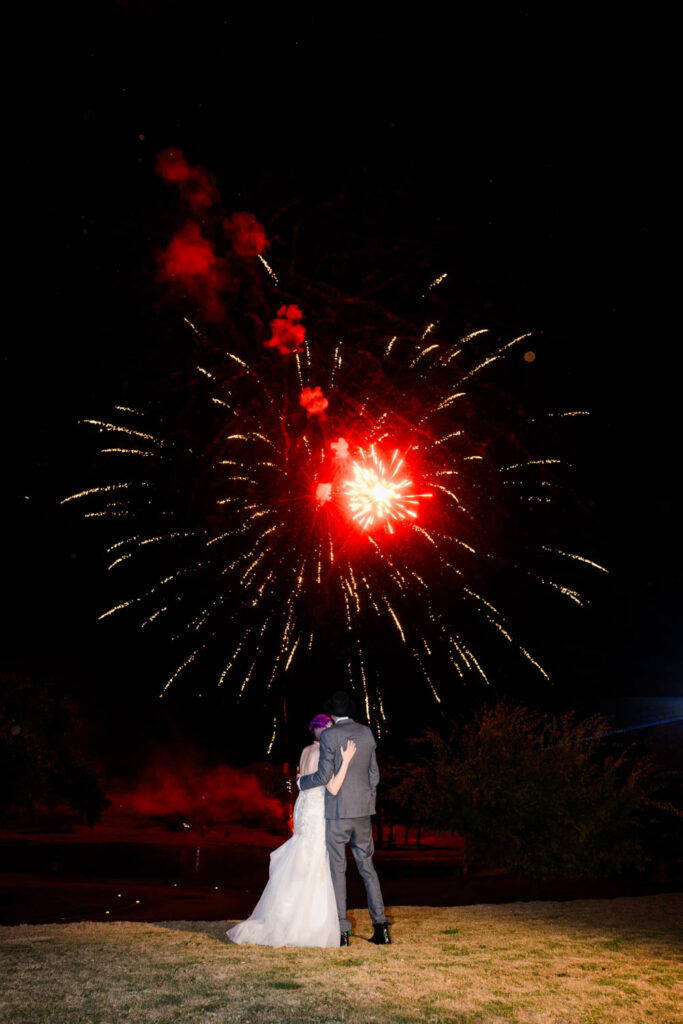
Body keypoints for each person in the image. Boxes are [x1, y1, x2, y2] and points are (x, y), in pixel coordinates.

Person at [226, 713, 356, 947]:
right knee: (314, 861)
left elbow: (302, 779)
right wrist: (345, 762)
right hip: (316, 810)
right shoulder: (323, 753)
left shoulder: (306, 751)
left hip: (304, 807)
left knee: (302, 856)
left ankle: (287, 915)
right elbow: (332, 787)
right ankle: (307, 923)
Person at [298, 689, 391, 945]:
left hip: (338, 814)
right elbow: (374, 775)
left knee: (338, 870)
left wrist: (300, 782)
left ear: (332, 713)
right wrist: (367, 802)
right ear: (350, 711)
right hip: (363, 813)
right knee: (368, 869)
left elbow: (322, 776)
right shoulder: (366, 732)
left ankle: (342, 932)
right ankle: (381, 927)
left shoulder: (329, 735)